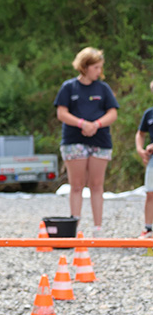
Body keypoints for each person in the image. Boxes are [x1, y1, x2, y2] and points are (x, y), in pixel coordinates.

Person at [54, 47, 118, 233]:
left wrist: (96, 124)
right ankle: (74, 226)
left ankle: (98, 228)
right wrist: (82, 124)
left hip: (100, 140)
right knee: (77, 185)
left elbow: (112, 112)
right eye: (96, 67)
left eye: (100, 67)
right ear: (85, 67)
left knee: (97, 184)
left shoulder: (103, 88)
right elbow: (61, 113)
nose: (99, 71)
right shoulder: (69, 87)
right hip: (74, 140)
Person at [134, 80, 153, 237]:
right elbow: (140, 133)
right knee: (150, 192)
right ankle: (148, 228)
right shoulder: (149, 114)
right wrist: (140, 149)